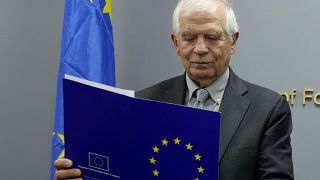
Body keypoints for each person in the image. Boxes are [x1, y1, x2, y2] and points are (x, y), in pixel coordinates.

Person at [54, 0, 294, 179]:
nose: (200, 48)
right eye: (189, 37)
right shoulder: (143, 103)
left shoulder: (268, 110)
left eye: (212, 37)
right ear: (176, 43)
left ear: (234, 41)